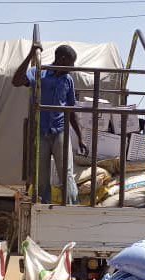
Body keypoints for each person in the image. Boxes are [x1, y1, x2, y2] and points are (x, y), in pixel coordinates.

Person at [12, 44, 86, 204]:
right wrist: (30, 54)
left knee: (66, 174)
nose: (72, 67)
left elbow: (71, 110)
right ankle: (43, 208)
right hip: (41, 132)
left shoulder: (68, 80)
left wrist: (80, 137)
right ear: (62, 59)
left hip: (60, 131)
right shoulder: (39, 72)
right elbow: (16, 81)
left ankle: (71, 208)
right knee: (42, 177)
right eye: (71, 63)